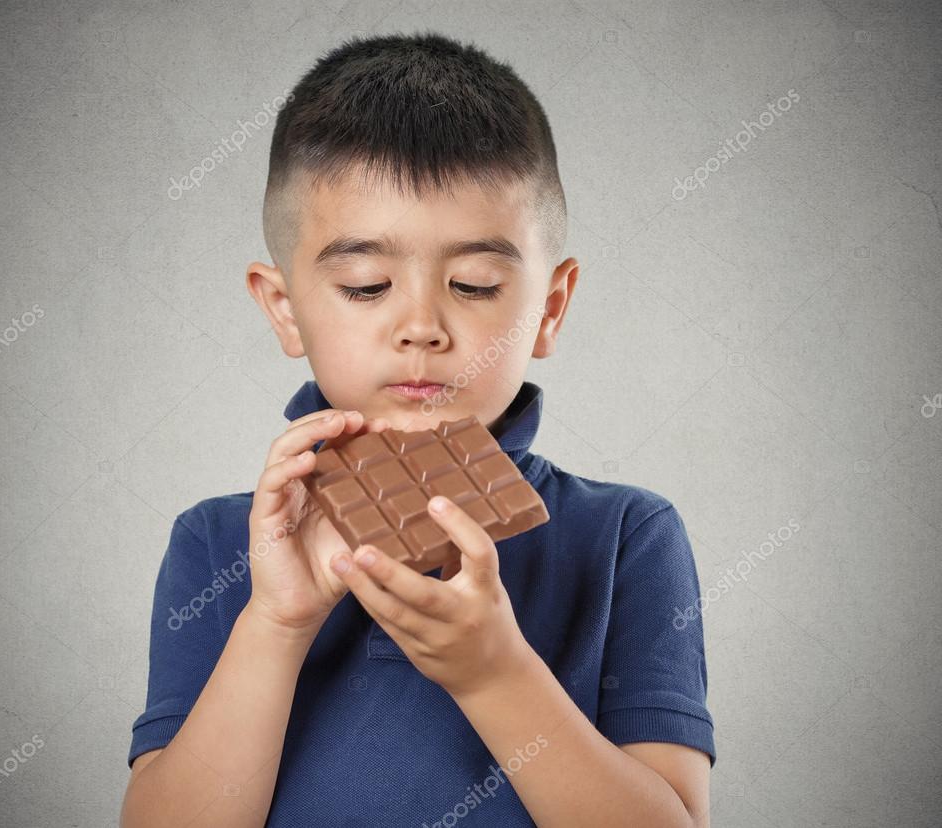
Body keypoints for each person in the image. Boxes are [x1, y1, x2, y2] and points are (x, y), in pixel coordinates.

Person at [120, 31, 715, 828]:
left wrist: (491, 673)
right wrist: (276, 621)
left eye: (474, 284)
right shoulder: (218, 544)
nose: (421, 327)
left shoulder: (625, 536)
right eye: (366, 287)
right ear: (283, 306)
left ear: (549, 306)